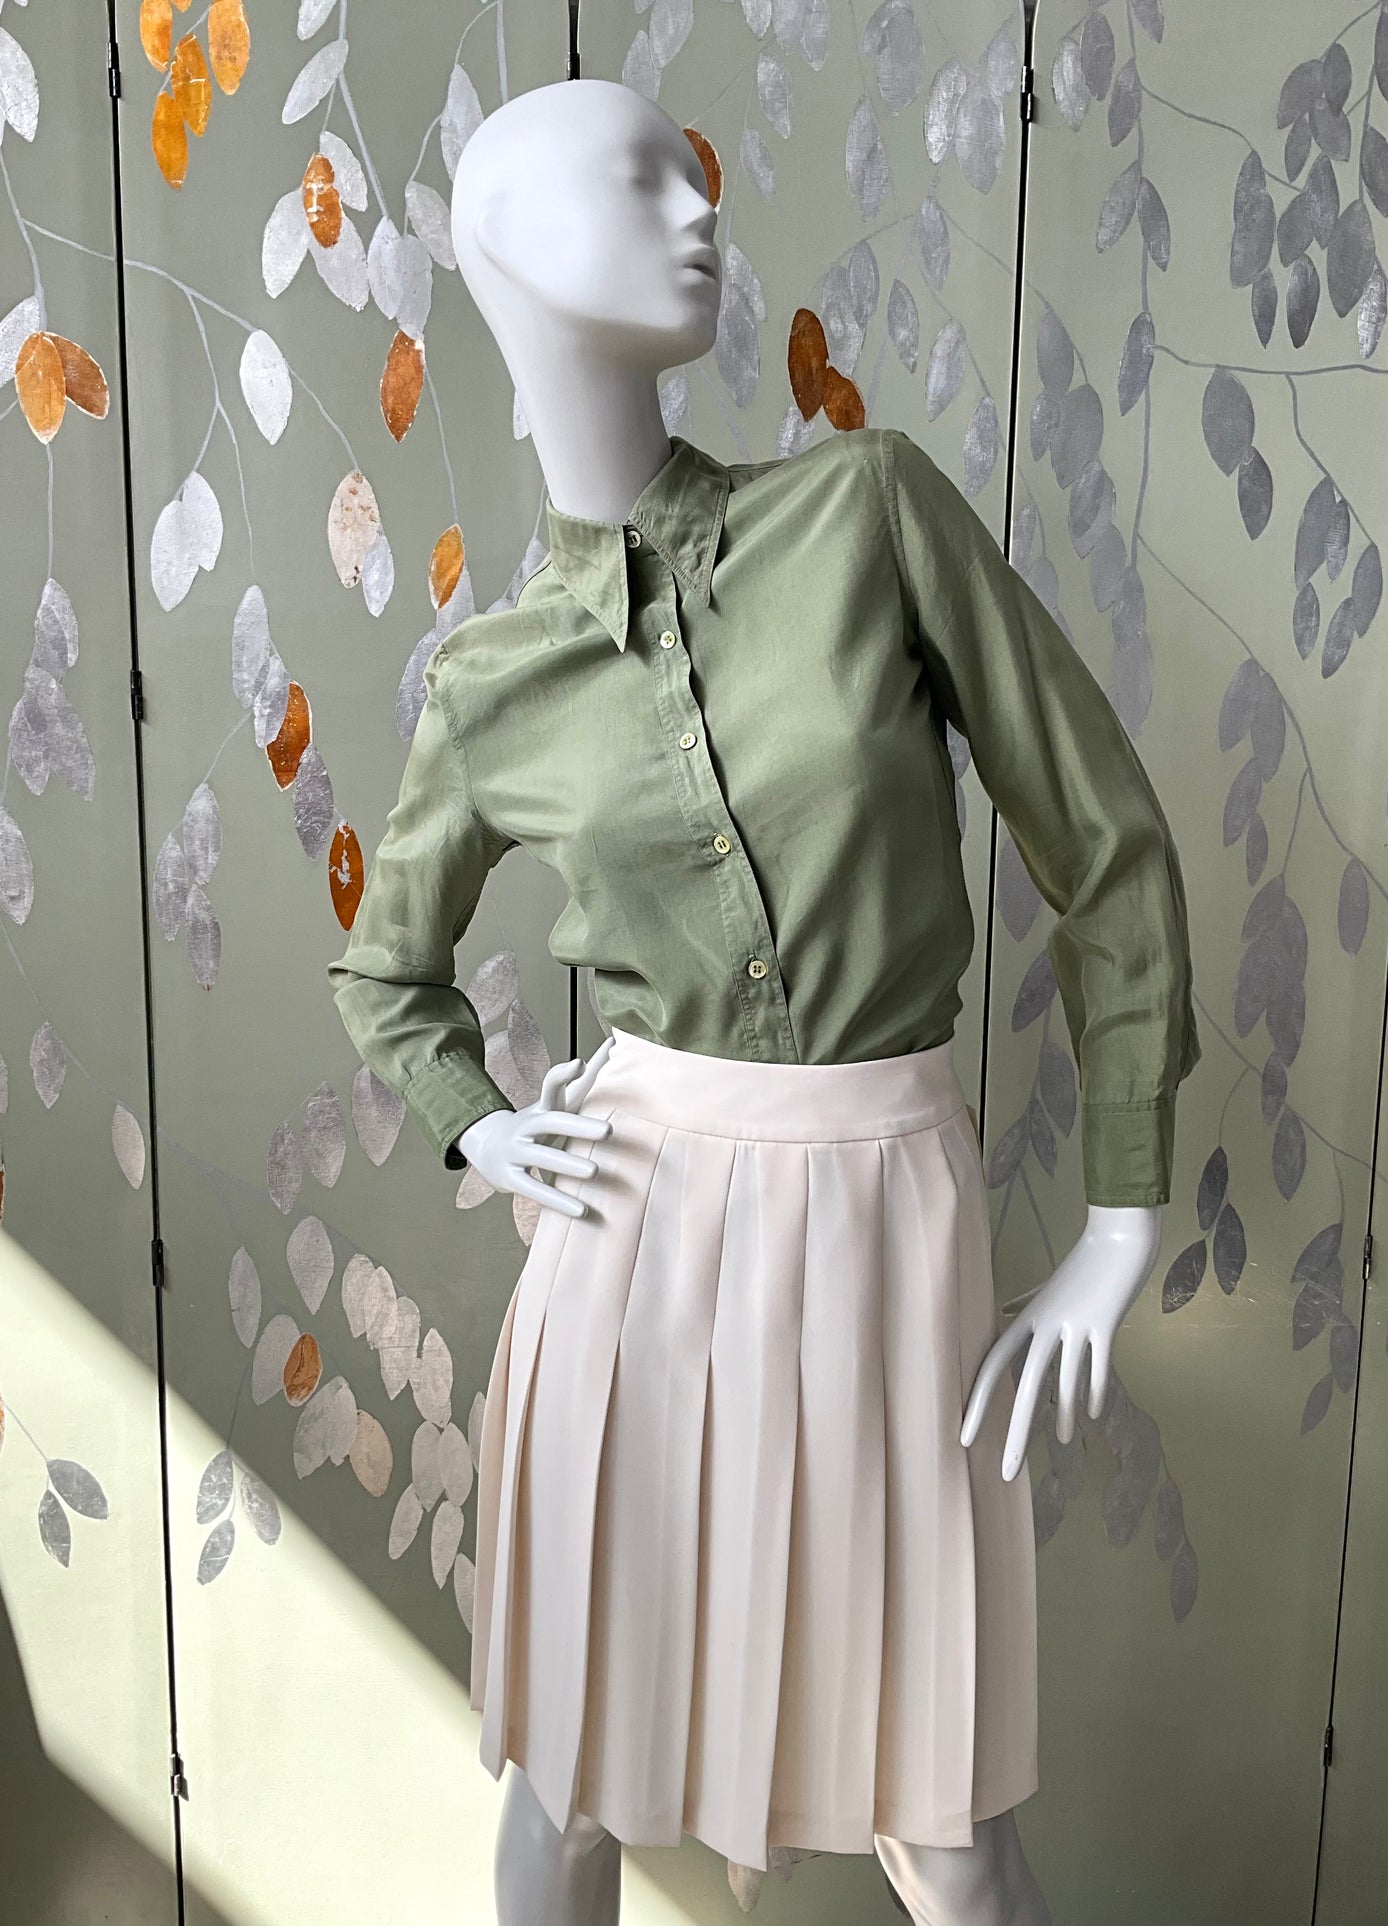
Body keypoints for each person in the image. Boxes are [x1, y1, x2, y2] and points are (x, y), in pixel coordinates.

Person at [328, 76, 1198, 1926]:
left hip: (888, 1219)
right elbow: (386, 969)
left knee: (940, 1812)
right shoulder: (489, 680)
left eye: (690, 170)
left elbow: (1105, 840)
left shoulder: (867, 512)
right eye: (633, 180)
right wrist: (481, 1122)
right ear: (506, 252)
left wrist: (1122, 1215)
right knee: (571, 1772)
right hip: (628, 1240)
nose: (695, 205)